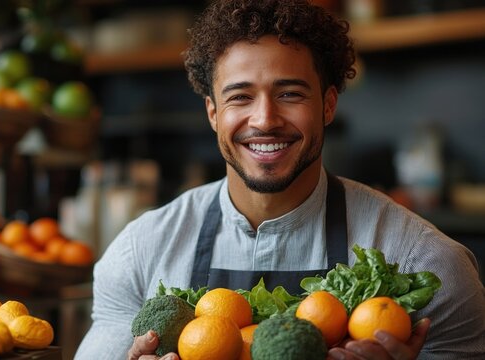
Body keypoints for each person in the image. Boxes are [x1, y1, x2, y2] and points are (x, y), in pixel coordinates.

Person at [75, 0, 485, 359]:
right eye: (240, 96)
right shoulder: (140, 253)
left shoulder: (427, 264)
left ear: (327, 105)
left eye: (290, 94)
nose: (265, 119)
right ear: (213, 112)